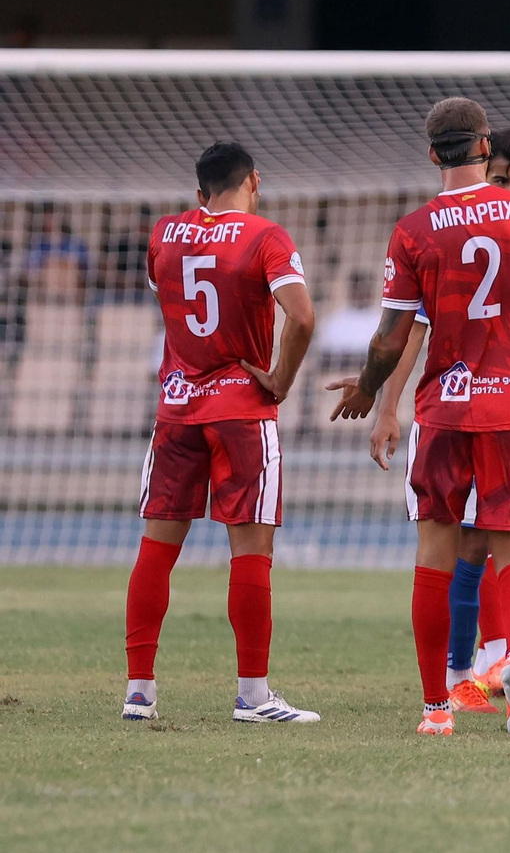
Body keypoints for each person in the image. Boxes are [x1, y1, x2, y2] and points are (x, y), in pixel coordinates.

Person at [328, 97, 510, 739]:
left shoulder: (414, 230)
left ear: (433, 154)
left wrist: (372, 391)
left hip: (444, 411)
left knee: (437, 551)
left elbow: (390, 338)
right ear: (486, 146)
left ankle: (435, 707)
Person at [123, 142, 318, 724]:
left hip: (177, 406)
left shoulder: (164, 233)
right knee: (251, 552)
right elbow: (302, 316)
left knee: (156, 551)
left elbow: (171, 299)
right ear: (253, 180)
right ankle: (253, 698)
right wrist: (280, 380)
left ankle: (139, 693)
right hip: (240, 410)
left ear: (198, 191)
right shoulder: (266, 236)